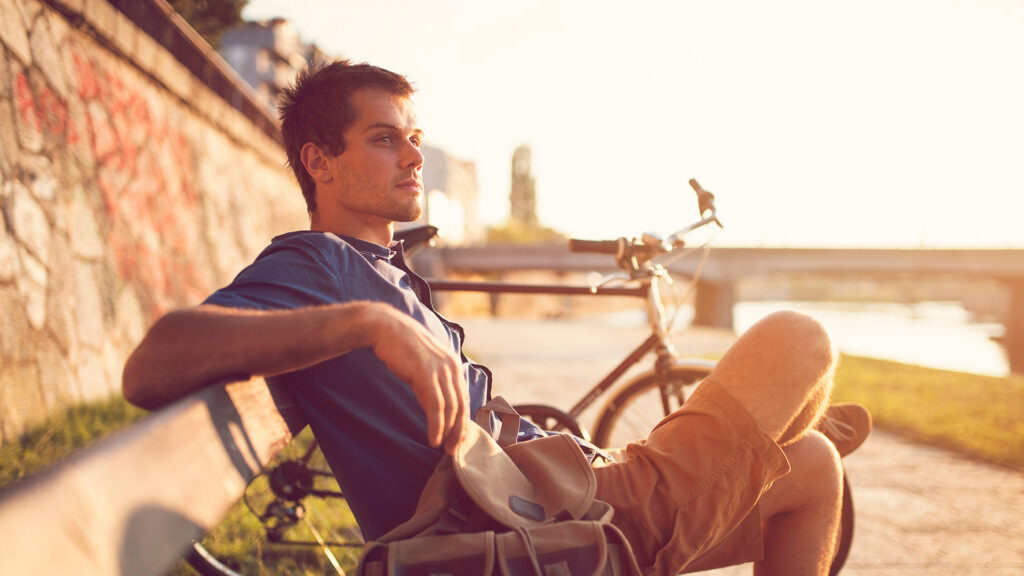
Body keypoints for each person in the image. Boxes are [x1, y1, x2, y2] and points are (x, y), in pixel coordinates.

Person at [122, 60, 871, 576]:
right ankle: (751, 443)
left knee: (815, 471)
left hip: (564, 486)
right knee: (799, 339)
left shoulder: (385, 268)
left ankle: (766, 443)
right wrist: (368, 325)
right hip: (534, 532)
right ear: (319, 162)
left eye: (414, 138)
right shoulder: (315, 264)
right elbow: (152, 362)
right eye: (384, 139)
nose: (412, 156)